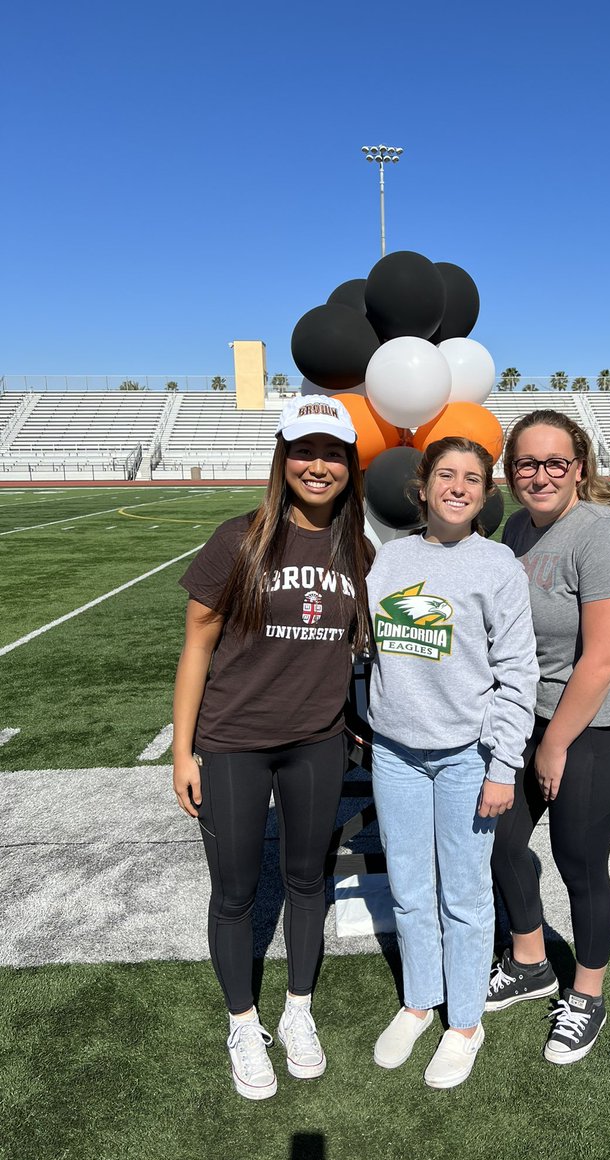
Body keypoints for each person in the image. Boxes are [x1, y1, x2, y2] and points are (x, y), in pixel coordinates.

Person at [172, 396, 372, 1100]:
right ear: (283, 457)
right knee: (233, 891)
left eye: (333, 453)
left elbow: (355, 646)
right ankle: (241, 1022)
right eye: (304, 451)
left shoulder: (359, 550)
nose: (318, 465)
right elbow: (197, 644)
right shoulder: (240, 539)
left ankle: (298, 1014)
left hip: (315, 744)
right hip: (233, 743)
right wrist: (182, 750)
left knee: (307, 880)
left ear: (351, 464)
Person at [366, 436, 538, 1089]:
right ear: (423, 485)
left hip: (467, 757)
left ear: (486, 493)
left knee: (464, 896)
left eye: (472, 477)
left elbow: (519, 674)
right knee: (409, 890)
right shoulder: (388, 559)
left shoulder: (497, 565)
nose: (458, 486)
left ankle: (464, 1023)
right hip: (396, 753)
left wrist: (502, 766)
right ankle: (419, 1001)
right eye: (446, 474)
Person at [487, 409, 610, 1065]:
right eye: (528, 463)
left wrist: (555, 745)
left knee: (581, 862)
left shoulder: (604, 535)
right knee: (494, 839)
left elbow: (602, 660)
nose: (542, 475)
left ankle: (587, 993)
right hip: (526, 715)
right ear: (512, 471)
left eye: (557, 462)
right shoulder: (516, 526)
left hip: (594, 726)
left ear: (579, 467)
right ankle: (530, 960)